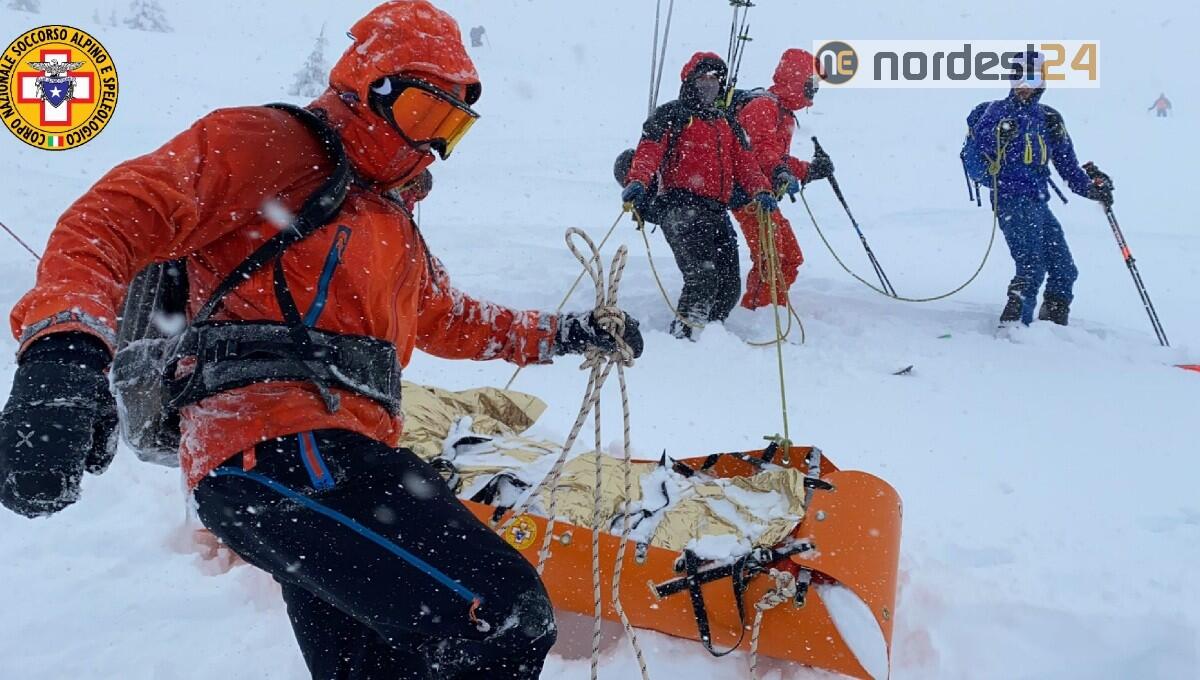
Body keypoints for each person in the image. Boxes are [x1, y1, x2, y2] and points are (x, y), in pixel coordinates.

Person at [0, 2, 644, 678]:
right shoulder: (272, 147)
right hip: (273, 446)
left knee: (387, 663)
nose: (431, 148)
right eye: (426, 117)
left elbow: (453, 318)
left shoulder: (390, 221)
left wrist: (567, 334)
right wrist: (63, 354)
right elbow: (112, 221)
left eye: (452, 130)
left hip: (334, 459)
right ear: (373, 86)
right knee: (501, 615)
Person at [620, 52, 775, 339]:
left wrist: (762, 190)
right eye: (703, 80)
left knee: (729, 287)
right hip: (679, 207)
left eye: (715, 82)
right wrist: (638, 182)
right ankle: (686, 338)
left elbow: (747, 165)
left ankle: (711, 339)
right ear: (690, 81)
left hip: (716, 210)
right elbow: (648, 152)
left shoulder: (728, 124)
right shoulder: (671, 115)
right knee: (702, 278)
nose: (709, 87)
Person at [962, 51, 1114, 327]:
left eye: (1031, 76)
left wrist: (1093, 189)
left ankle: (1053, 327)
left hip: (1038, 203)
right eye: (1016, 75)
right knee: (1032, 267)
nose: (1023, 83)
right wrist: (998, 144)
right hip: (1011, 202)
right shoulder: (995, 114)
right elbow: (979, 165)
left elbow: (1068, 167)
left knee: (1064, 269)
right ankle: (1014, 329)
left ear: (1043, 79)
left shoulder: (1049, 119)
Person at [731, 48, 833, 310]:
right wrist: (782, 172)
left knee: (788, 257)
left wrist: (809, 170)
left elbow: (775, 159)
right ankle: (760, 314)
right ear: (796, 79)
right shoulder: (764, 107)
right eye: (811, 83)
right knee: (774, 258)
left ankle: (768, 309)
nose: (814, 91)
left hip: (764, 197)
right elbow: (761, 152)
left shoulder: (782, 111)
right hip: (750, 195)